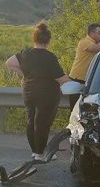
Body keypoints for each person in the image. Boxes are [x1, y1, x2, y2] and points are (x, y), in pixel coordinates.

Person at [6, 23, 70, 161]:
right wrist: (76, 82)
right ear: (48, 40)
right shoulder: (49, 57)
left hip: (29, 90)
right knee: (43, 122)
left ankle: (35, 151)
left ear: (34, 38)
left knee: (31, 120)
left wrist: (24, 74)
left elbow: (9, 63)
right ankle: (40, 153)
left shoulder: (25, 53)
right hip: (47, 93)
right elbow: (60, 78)